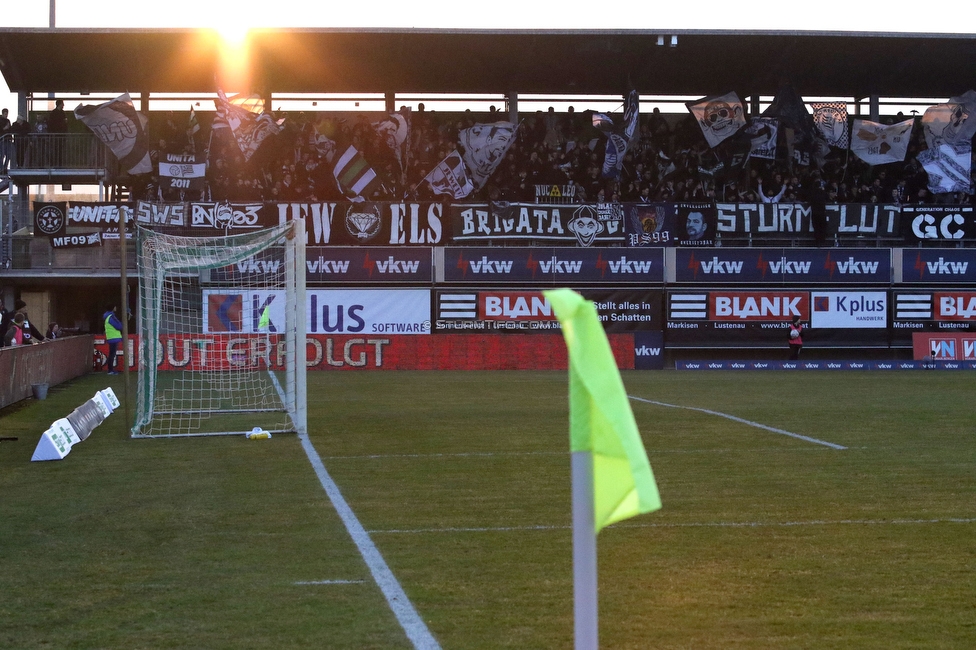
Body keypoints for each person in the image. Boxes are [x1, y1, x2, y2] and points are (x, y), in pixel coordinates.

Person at [103, 306, 123, 375]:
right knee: (112, 354)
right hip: (114, 338)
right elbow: (119, 326)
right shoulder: (111, 317)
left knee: (112, 354)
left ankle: (110, 369)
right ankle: (110, 370)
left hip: (111, 337)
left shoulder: (107, 317)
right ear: (113, 308)